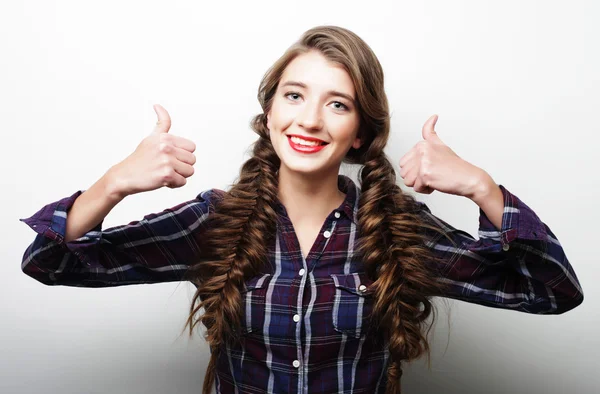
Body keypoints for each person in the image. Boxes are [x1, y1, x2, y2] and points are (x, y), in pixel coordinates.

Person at [19, 26, 583, 394]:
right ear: (267, 113)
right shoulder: (216, 222)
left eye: (337, 104)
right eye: (294, 95)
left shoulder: (394, 231)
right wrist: (115, 183)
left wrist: (483, 188)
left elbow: (551, 291)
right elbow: (50, 261)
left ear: (360, 134)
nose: (310, 120)